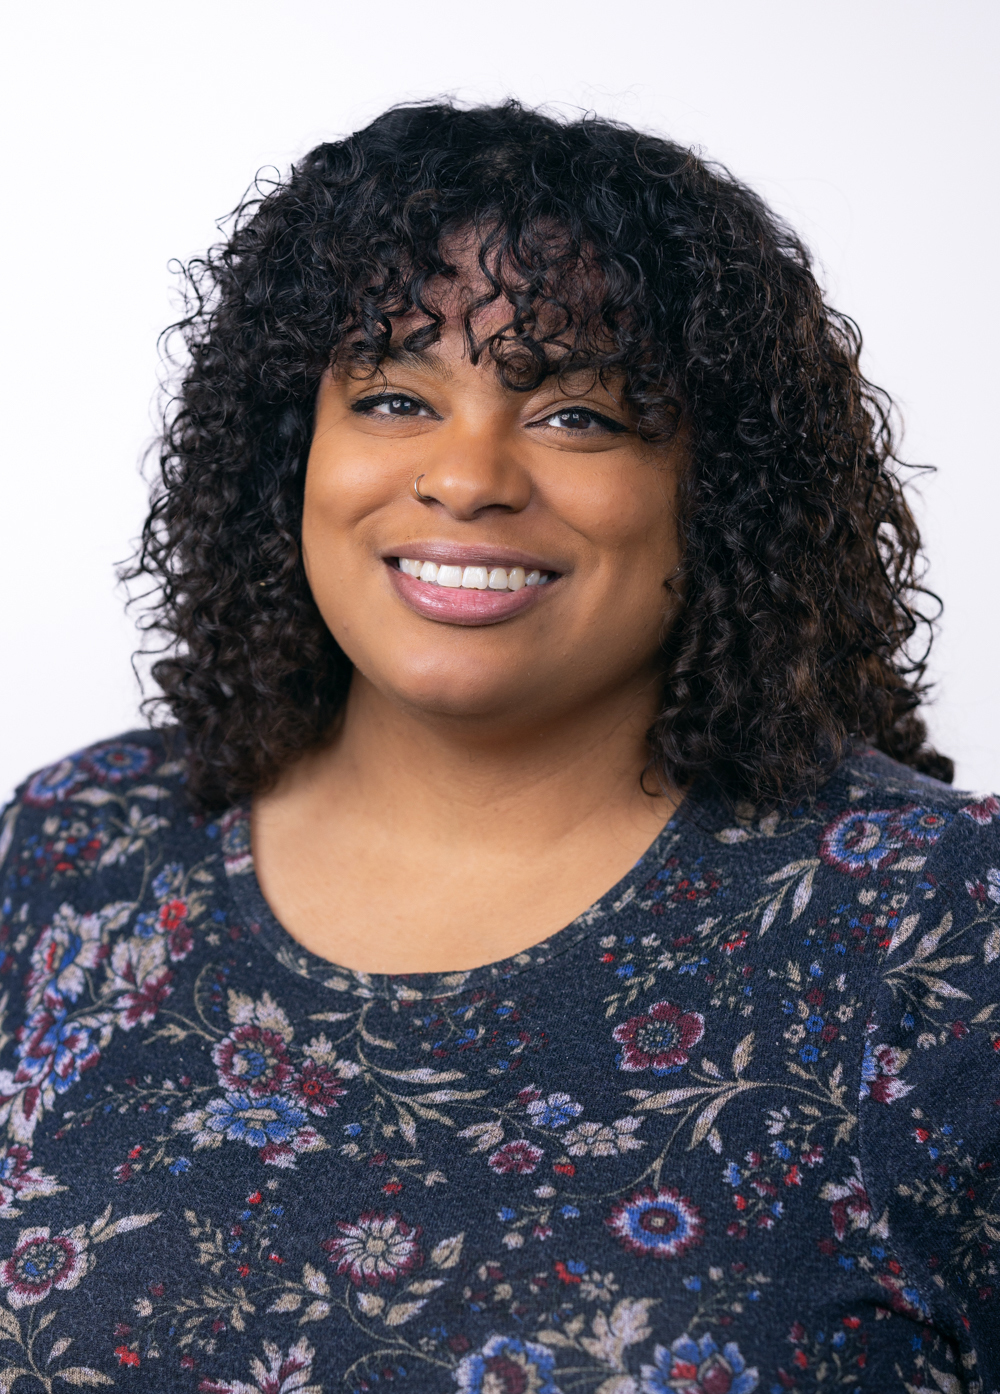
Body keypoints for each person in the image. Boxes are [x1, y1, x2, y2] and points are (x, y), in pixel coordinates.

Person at [1, 100, 996, 1394]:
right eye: (397, 394)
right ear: (291, 448)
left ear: (720, 484)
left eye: (577, 413)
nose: (467, 475)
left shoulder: (933, 927)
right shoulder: (77, 847)